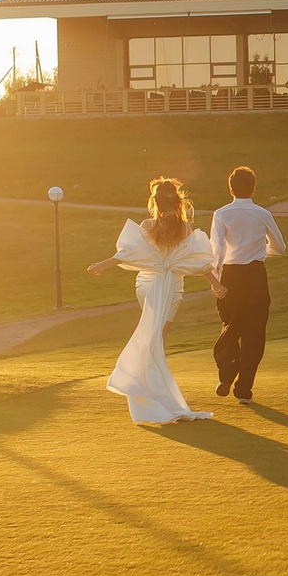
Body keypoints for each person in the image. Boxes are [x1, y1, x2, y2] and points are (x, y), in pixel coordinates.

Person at [88, 177, 215, 424]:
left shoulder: (168, 227)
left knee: (154, 339)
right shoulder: (177, 228)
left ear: (154, 202)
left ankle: (149, 390)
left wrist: (104, 264)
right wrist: (216, 283)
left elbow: (132, 253)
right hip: (161, 284)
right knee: (156, 339)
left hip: (155, 283)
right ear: (178, 202)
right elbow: (196, 261)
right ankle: (153, 393)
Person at [207, 164, 286, 405]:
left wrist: (217, 280)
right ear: (254, 188)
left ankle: (227, 373)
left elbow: (217, 250)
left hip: (230, 275)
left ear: (230, 188)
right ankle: (244, 389)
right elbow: (280, 248)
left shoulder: (221, 214)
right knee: (254, 334)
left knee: (230, 326)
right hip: (255, 276)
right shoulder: (263, 214)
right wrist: (261, 251)